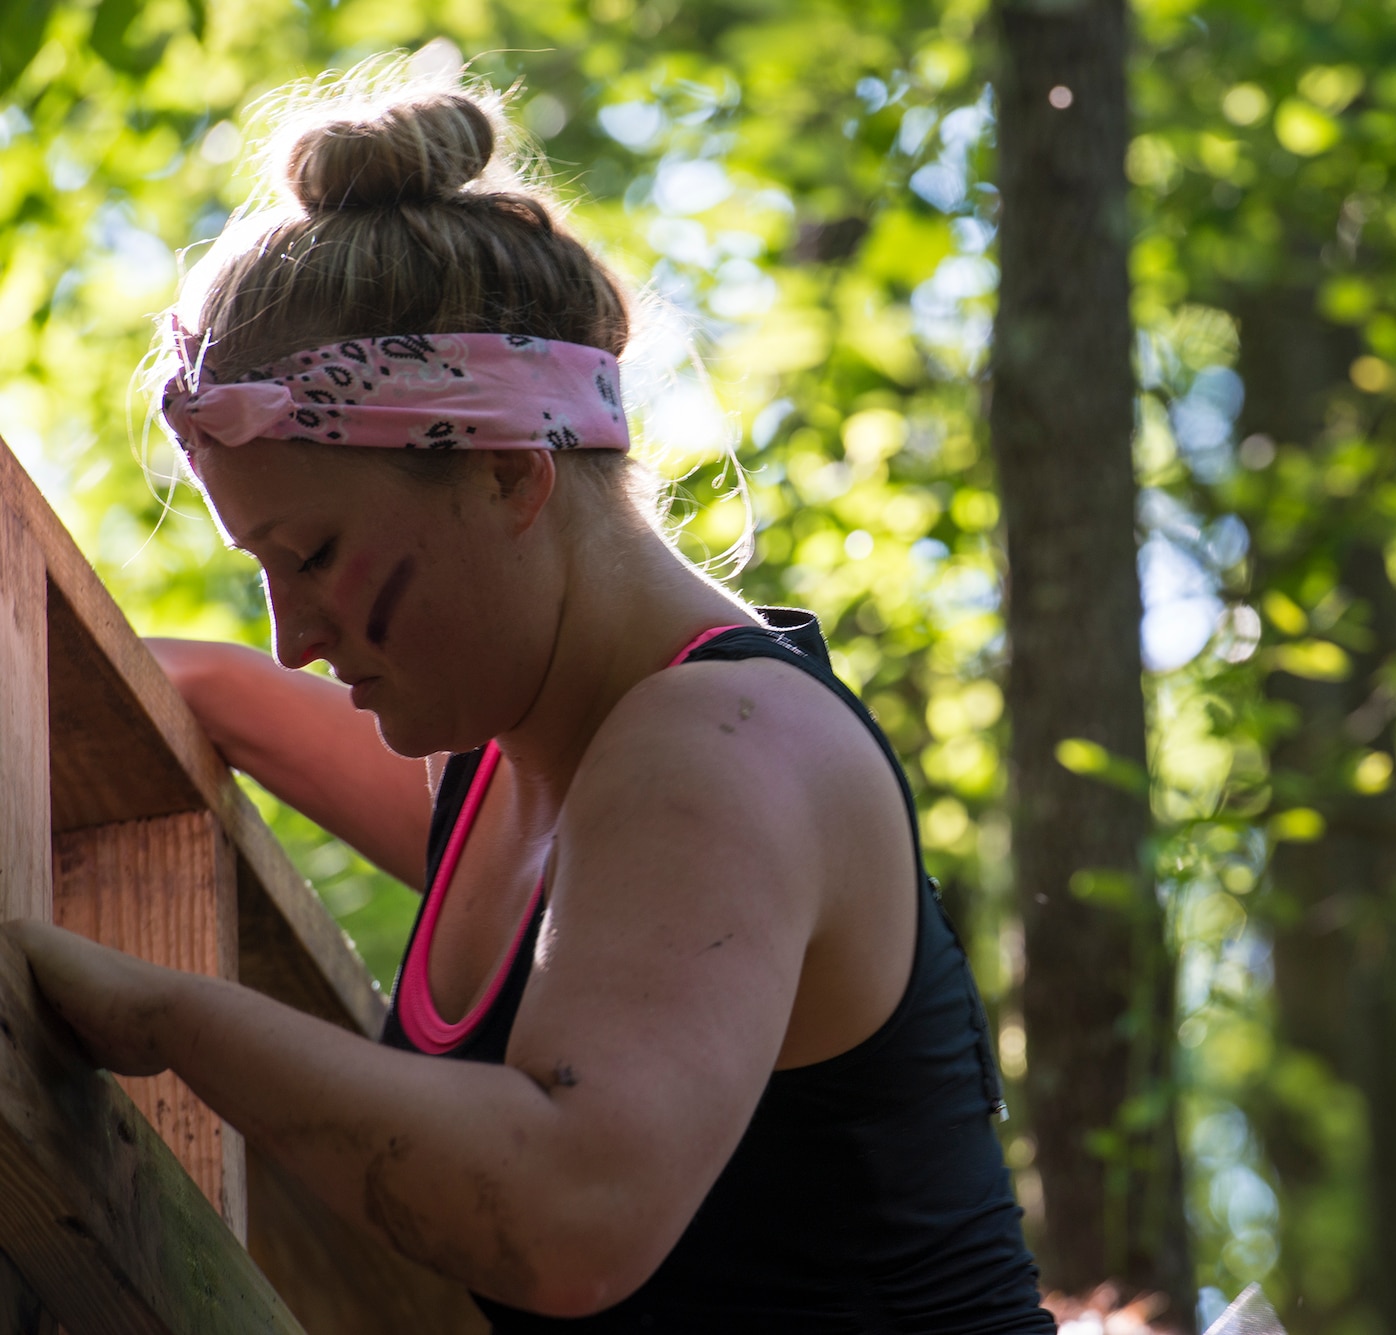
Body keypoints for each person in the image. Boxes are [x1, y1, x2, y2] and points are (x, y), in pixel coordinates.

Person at [5, 65, 1055, 1332]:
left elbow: (569, 1217)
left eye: (319, 556)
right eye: (265, 567)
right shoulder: (509, 762)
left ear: (507, 476)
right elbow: (197, 685)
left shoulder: (721, 750)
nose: (293, 636)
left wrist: (164, 1011)